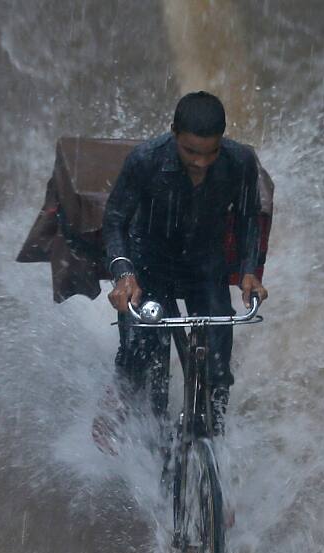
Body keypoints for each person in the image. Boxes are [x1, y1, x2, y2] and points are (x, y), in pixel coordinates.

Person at [101, 91, 269, 435]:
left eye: (211, 153)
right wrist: (124, 274)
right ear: (174, 132)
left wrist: (250, 270)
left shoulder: (241, 162)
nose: (201, 162)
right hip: (149, 264)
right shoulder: (145, 160)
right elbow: (115, 219)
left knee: (219, 366)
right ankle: (126, 407)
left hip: (205, 265)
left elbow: (249, 217)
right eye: (191, 151)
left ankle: (210, 438)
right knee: (142, 362)